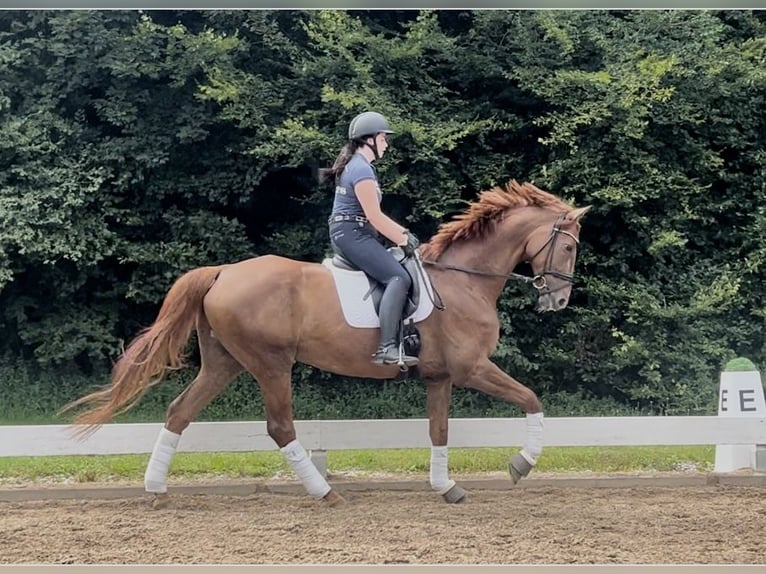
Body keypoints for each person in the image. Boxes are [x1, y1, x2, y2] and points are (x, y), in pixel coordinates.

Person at [323, 111, 420, 366]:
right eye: (383, 139)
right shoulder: (361, 169)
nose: (386, 144)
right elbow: (375, 217)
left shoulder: (356, 165)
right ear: (370, 140)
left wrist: (402, 235)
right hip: (353, 234)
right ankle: (387, 347)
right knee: (398, 277)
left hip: (352, 233)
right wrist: (403, 237)